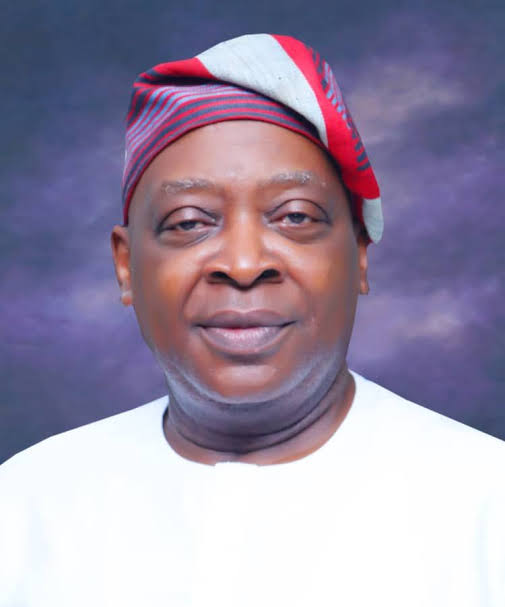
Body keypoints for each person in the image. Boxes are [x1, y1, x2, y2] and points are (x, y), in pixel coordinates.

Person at [0, 33, 503, 607]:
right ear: (126, 265)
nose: (242, 264)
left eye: (295, 216)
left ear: (359, 255)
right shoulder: (24, 507)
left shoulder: (486, 507)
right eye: (189, 222)